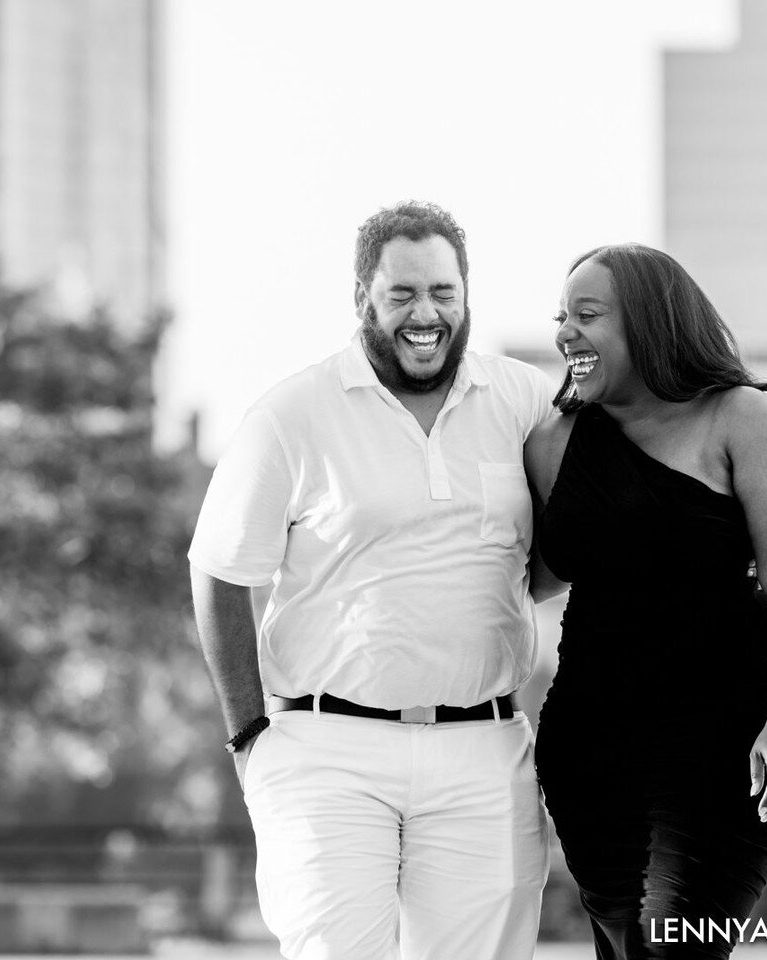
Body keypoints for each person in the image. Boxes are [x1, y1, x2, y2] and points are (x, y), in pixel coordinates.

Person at [188, 201, 554, 960]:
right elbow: (219, 569)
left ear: (465, 297)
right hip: (325, 752)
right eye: (403, 295)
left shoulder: (523, 401)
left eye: (443, 294)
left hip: (483, 751)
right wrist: (248, 737)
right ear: (364, 300)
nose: (426, 314)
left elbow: (581, 528)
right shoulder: (292, 414)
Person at [525, 243, 767, 959]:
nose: (566, 332)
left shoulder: (742, 420)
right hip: (592, 747)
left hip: (731, 733)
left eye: (588, 314)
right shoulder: (550, 444)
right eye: (561, 316)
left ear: (651, 323)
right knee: (632, 945)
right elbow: (530, 576)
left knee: (672, 945)